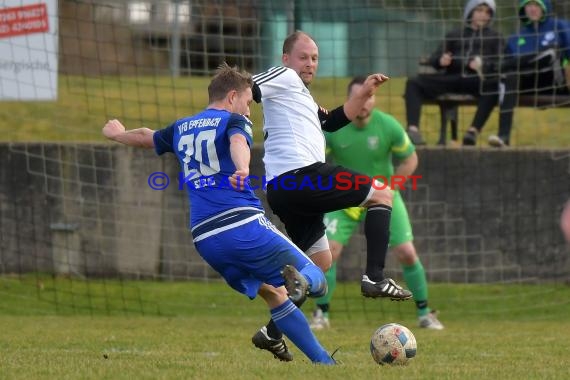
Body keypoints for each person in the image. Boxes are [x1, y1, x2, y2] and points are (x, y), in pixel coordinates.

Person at [101, 63, 336, 365]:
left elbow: (148, 136)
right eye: (248, 103)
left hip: (206, 239)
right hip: (242, 224)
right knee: (316, 272)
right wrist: (242, 168)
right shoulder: (234, 121)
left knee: (274, 294)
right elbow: (239, 143)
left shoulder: (182, 126)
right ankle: (303, 283)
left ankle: (325, 365)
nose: (249, 111)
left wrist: (118, 134)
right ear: (232, 96)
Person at [250, 31, 412, 362]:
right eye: (303, 57)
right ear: (285, 59)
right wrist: (228, 119)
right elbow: (245, 87)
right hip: (301, 176)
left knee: (319, 264)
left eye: (314, 58)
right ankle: (374, 277)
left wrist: (365, 91)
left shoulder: (301, 97)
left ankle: (272, 331)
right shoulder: (282, 77)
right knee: (381, 194)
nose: (310, 64)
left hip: (287, 189)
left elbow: (334, 120)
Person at [309, 77, 444, 331]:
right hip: (344, 200)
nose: (364, 101)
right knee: (328, 253)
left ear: (374, 98)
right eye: (359, 96)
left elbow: (410, 159)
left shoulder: (388, 125)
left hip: (382, 198)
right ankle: (321, 314)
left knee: (406, 252)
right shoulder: (333, 128)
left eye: (368, 96)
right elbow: (315, 163)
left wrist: (391, 189)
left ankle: (425, 313)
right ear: (350, 100)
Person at [403, 0, 503, 146]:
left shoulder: (495, 37)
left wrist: (484, 66)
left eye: (488, 12)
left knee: (494, 87)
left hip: (476, 80)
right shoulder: (454, 34)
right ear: (470, 12)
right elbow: (434, 58)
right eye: (479, 10)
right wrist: (440, 60)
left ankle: (472, 132)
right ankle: (413, 130)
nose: (484, 15)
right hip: (450, 78)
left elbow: (500, 62)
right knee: (413, 83)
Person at [486, 0, 570, 147]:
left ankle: (495, 67)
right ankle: (503, 137)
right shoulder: (515, 37)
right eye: (529, 5)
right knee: (508, 75)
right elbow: (508, 70)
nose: (533, 9)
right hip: (527, 83)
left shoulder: (559, 26)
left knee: (551, 52)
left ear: (545, 7)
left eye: (537, 5)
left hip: (554, 81)